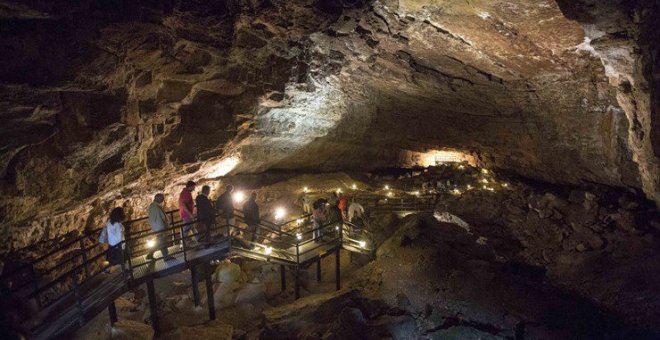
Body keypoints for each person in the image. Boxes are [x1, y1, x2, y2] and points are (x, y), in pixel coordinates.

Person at [146, 194, 175, 261]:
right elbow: (163, 217)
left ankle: (150, 254)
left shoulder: (152, 206)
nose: (163, 200)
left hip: (156, 227)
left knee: (159, 241)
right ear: (157, 198)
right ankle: (166, 257)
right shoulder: (156, 207)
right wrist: (167, 224)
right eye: (162, 198)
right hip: (159, 227)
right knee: (162, 241)